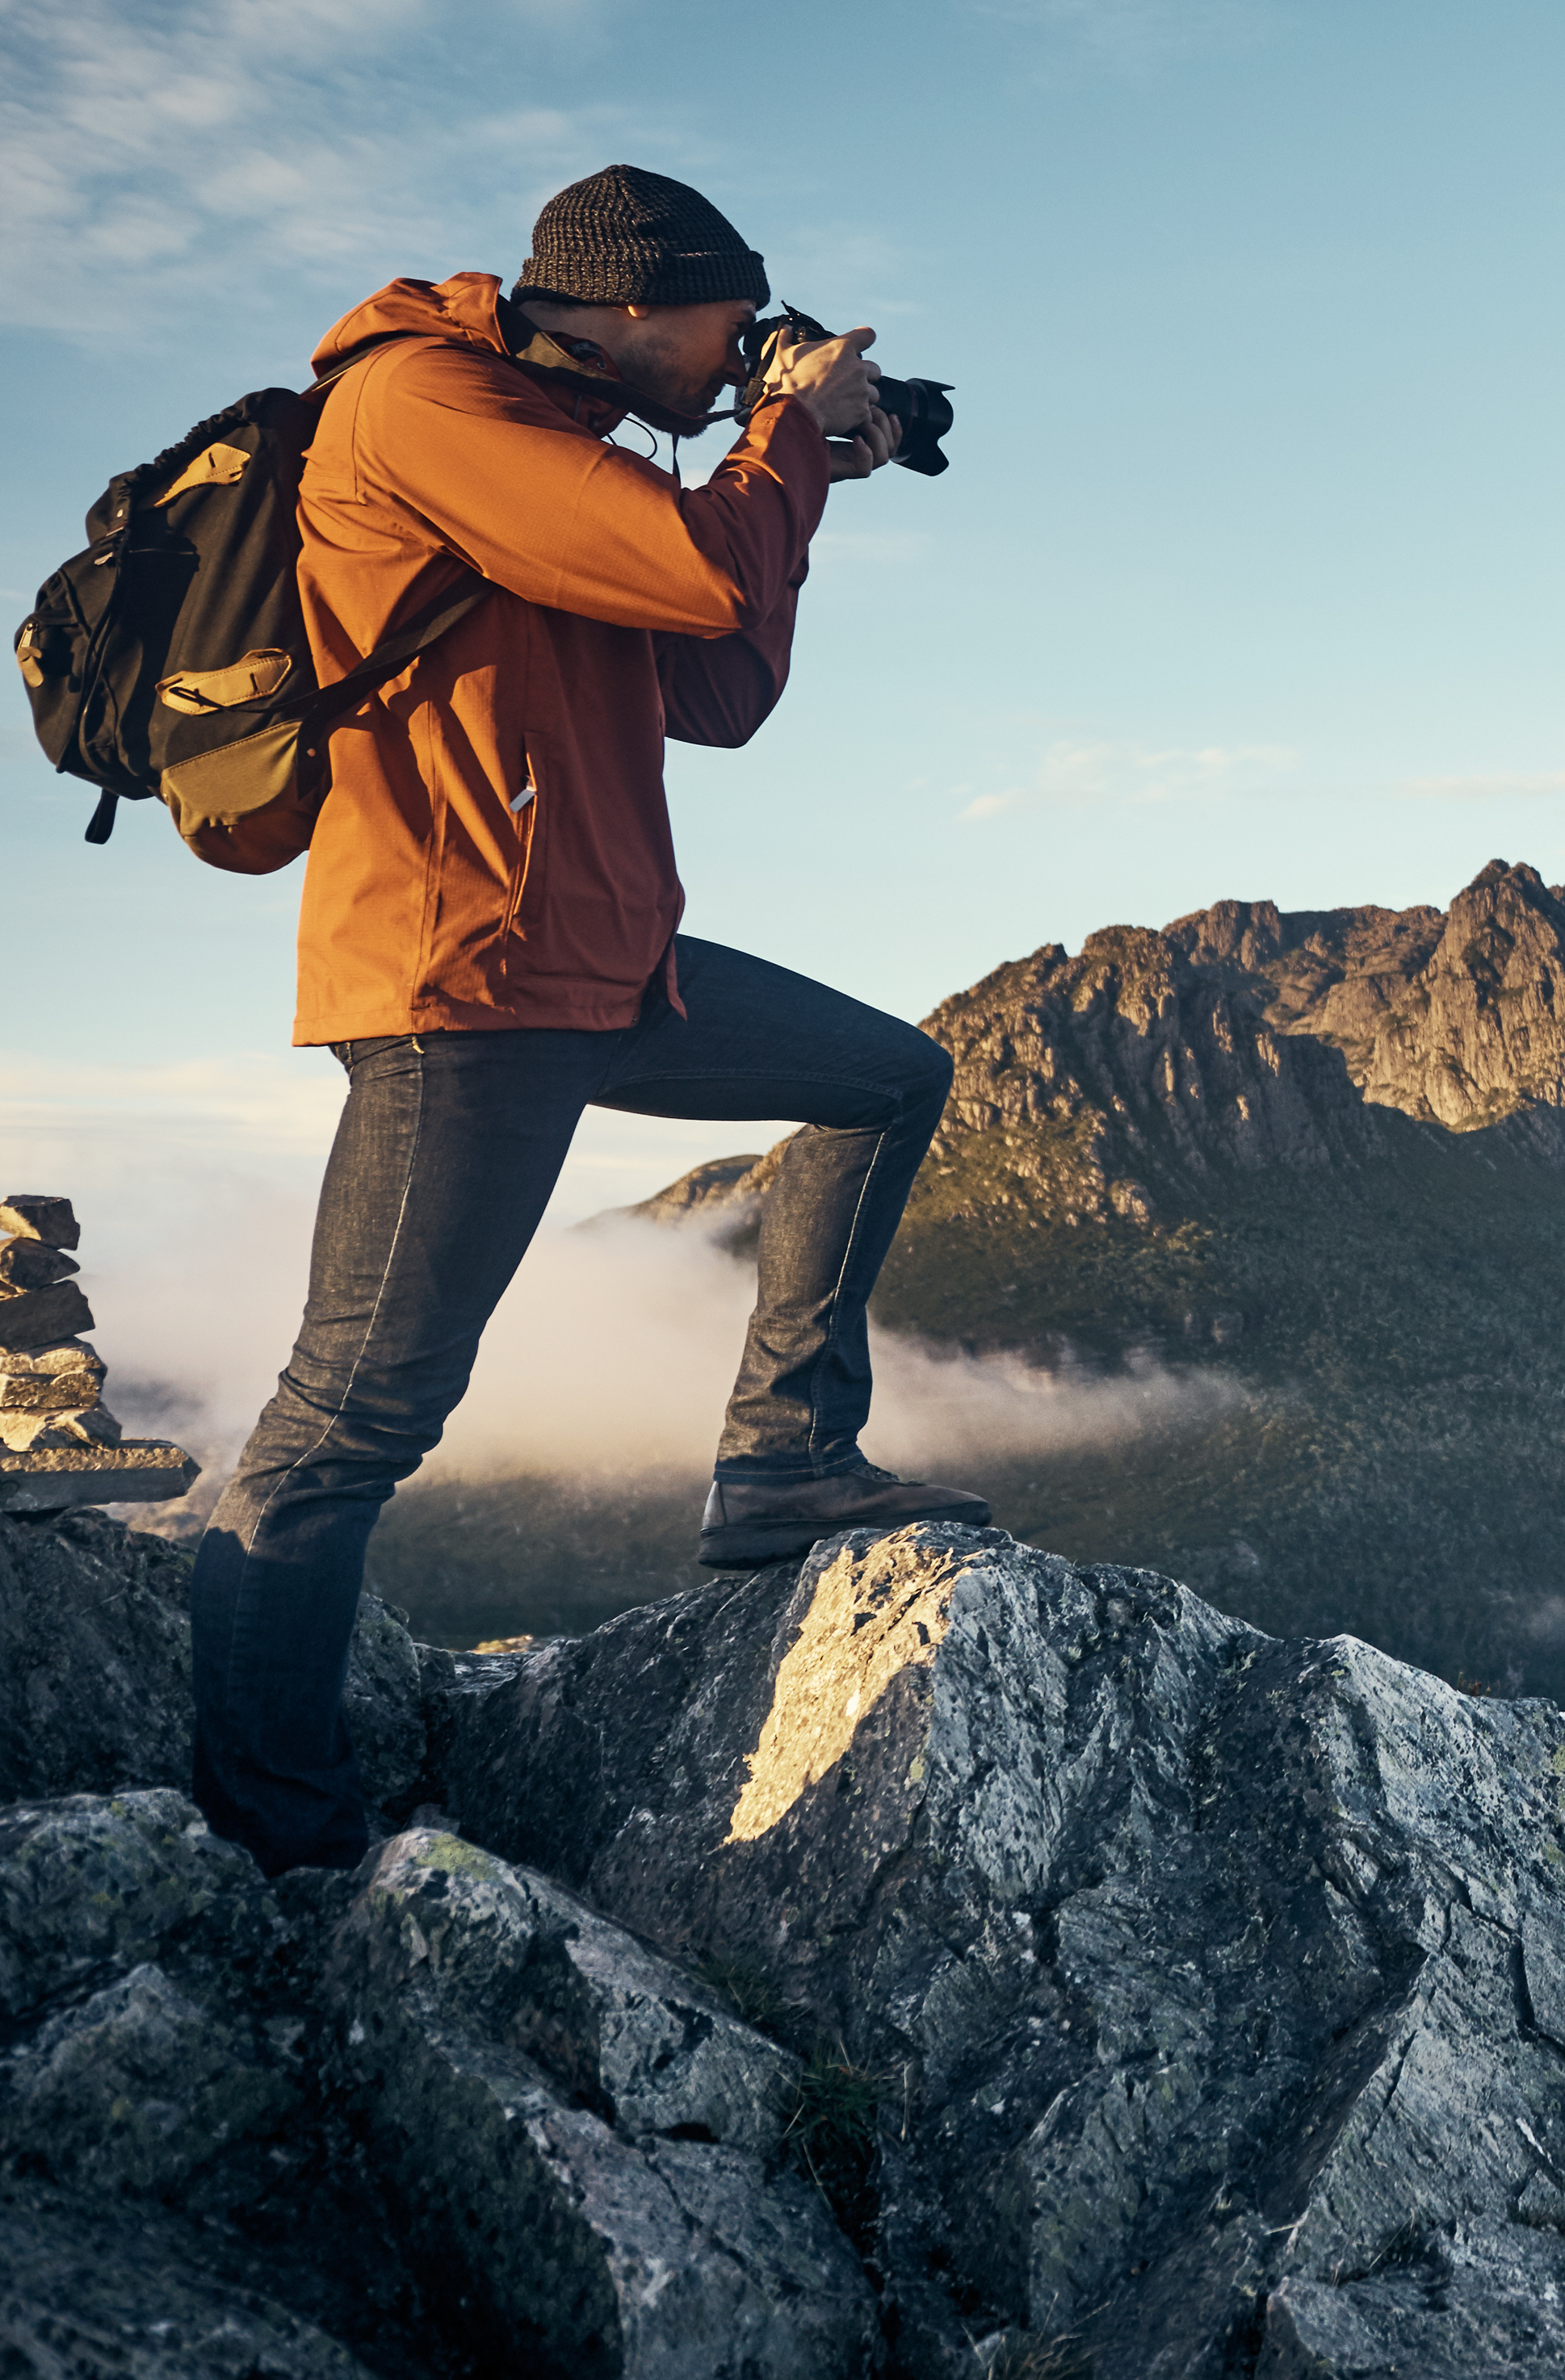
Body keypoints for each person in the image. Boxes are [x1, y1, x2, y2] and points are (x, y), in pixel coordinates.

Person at [187, 164, 988, 1875]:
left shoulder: (571, 459)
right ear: (631, 301)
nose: (740, 362)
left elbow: (717, 688)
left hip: (607, 964)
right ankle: (277, 1840)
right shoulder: (423, 403)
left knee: (880, 1075)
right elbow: (702, 576)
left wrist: (804, 475)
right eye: (730, 325)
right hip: (466, 979)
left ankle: (782, 1460)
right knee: (348, 1422)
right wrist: (773, 444)